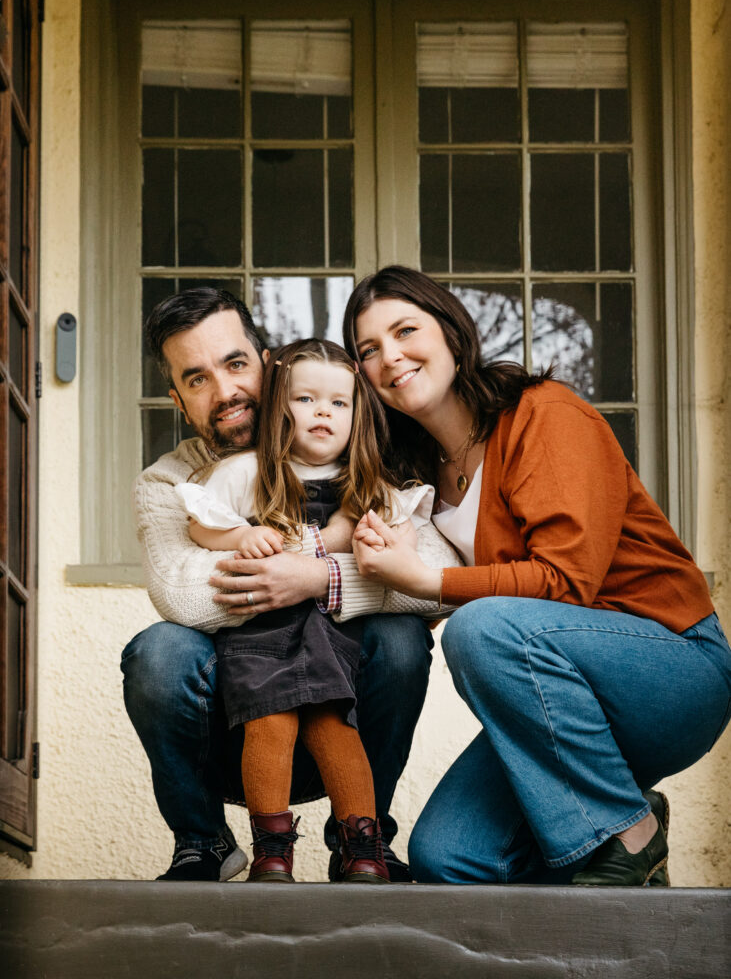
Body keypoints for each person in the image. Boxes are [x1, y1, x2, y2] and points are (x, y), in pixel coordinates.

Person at [342, 265, 731, 887]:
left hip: (673, 669)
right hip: (563, 705)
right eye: (367, 350)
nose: (390, 357)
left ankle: (624, 836)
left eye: (405, 330)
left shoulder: (542, 415)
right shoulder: (416, 473)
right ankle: (620, 834)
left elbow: (564, 580)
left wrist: (427, 582)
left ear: (450, 331)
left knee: (480, 629)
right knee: (450, 856)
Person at [123, 287, 438, 882]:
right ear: (177, 398)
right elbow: (181, 593)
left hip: (340, 692)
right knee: (159, 650)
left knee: (400, 636)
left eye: (235, 364)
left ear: (269, 368)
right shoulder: (174, 481)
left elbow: (434, 581)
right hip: (234, 713)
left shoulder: (357, 457)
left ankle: (364, 841)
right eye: (197, 379)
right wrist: (301, 555)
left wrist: (316, 575)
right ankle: (204, 842)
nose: (225, 392)